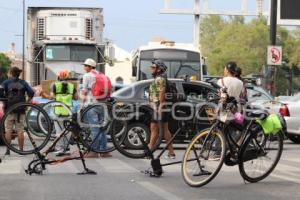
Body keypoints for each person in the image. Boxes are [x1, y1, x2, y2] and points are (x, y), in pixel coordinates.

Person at [81, 58, 112, 158]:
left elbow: (85, 91)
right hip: (102, 104)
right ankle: (104, 151)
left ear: (90, 67)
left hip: (92, 105)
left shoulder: (87, 76)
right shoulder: (102, 75)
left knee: (94, 129)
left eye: (85, 65)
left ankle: (94, 151)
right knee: (102, 128)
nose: (84, 67)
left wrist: (82, 104)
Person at [2, 67, 35, 155]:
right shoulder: (23, 83)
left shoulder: (6, 82)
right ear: (18, 74)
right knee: (20, 130)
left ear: (11, 73)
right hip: (21, 110)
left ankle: (8, 150)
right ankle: (21, 150)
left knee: (8, 130)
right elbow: (31, 93)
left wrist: (4, 103)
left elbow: (0, 92)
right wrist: (26, 103)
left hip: (9, 110)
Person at [148, 59, 175, 159]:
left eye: (153, 67)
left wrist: (159, 107)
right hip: (162, 107)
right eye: (151, 67)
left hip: (159, 107)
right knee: (165, 130)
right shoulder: (160, 78)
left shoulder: (159, 79)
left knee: (154, 128)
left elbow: (161, 93)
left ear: (159, 69)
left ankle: (150, 151)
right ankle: (171, 152)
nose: (151, 69)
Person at [50, 70, 78, 155]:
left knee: (59, 131)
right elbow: (76, 98)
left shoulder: (55, 85)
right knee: (67, 131)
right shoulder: (71, 86)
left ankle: (61, 149)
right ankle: (66, 148)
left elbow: (52, 97)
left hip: (57, 111)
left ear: (59, 77)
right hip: (68, 111)